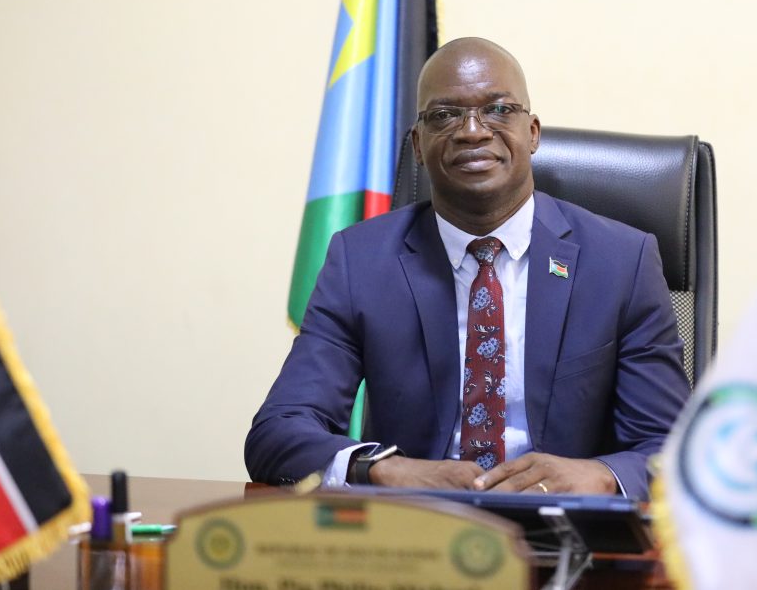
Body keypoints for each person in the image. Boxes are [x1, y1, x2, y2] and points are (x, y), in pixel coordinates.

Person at [245, 37, 689, 500]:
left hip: (570, 534)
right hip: (419, 535)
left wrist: (598, 475)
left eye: (498, 109)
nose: (473, 130)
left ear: (533, 132)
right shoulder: (361, 261)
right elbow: (279, 431)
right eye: (443, 115)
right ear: (418, 145)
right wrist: (386, 470)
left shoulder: (620, 261)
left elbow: (672, 450)